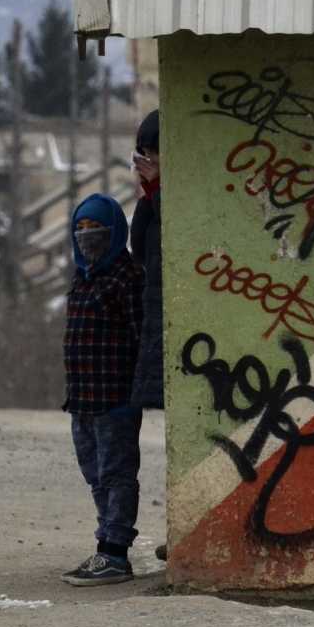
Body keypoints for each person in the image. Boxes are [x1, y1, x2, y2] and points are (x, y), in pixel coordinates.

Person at [61, 191, 147, 586]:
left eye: (95, 228)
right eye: (79, 228)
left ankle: (115, 552)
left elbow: (139, 335)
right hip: (82, 398)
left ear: (114, 232)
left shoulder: (127, 276)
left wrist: (137, 392)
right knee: (95, 474)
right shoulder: (83, 276)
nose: (86, 236)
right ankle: (104, 544)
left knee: (117, 475)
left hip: (115, 398)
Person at [127, 110, 166, 559]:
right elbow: (143, 252)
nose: (148, 161)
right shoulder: (149, 202)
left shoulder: (169, 197)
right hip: (156, 319)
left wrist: (157, 190)